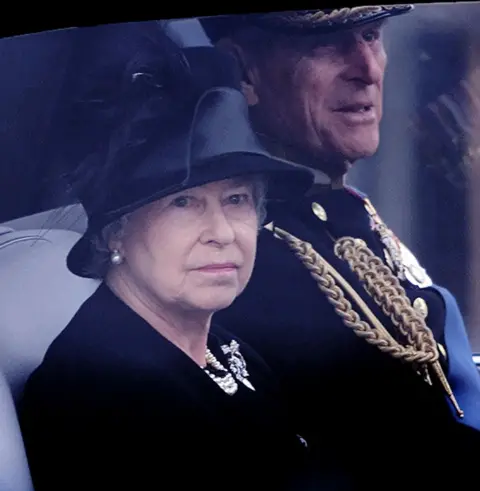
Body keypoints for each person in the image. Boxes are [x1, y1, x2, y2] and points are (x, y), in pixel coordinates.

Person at [17, 23, 316, 491]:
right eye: (183, 202)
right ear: (115, 231)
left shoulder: (229, 350)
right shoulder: (94, 391)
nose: (221, 233)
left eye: (236, 199)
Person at [200, 7, 480, 489]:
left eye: (372, 35)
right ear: (245, 71)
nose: (367, 69)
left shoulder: (340, 209)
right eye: (328, 43)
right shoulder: (237, 260)